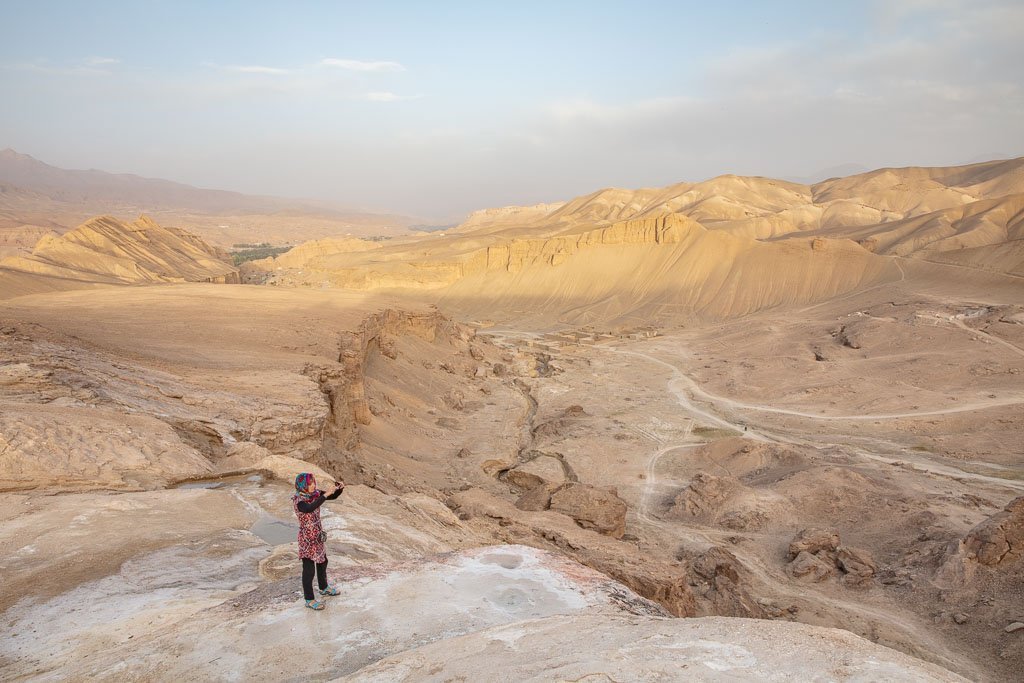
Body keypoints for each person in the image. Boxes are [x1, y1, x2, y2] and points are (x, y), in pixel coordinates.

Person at [292, 472, 344, 610]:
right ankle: (309, 599)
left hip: (317, 536)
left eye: (314, 482)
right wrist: (325, 495)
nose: (313, 485)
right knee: (308, 569)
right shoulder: (299, 501)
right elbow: (309, 508)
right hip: (307, 539)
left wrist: (338, 489)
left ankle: (323, 587)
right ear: (303, 485)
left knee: (322, 562)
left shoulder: (314, 494)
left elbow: (331, 496)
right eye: (310, 484)